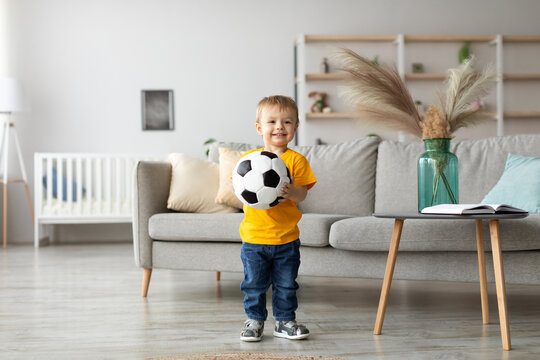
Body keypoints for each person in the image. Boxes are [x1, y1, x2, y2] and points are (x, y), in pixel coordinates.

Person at [239, 95, 316, 342]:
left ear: (295, 127)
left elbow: (303, 191)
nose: (279, 127)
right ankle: (254, 320)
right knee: (253, 285)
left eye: (287, 122)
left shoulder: (297, 161)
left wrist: (293, 192)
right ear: (260, 128)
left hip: (286, 239)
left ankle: (284, 321)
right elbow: (239, 187)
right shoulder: (249, 161)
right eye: (272, 121)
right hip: (254, 238)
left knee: (286, 285)